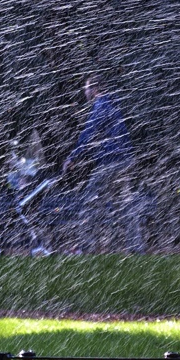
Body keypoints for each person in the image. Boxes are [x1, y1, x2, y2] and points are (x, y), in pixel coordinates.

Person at [59, 75, 135, 252]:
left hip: (111, 162)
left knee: (89, 203)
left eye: (86, 88)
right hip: (126, 160)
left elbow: (88, 135)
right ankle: (134, 248)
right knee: (124, 205)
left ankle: (86, 247)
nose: (85, 91)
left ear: (94, 90)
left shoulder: (100, 106)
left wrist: (72, 158)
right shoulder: (113, 103)